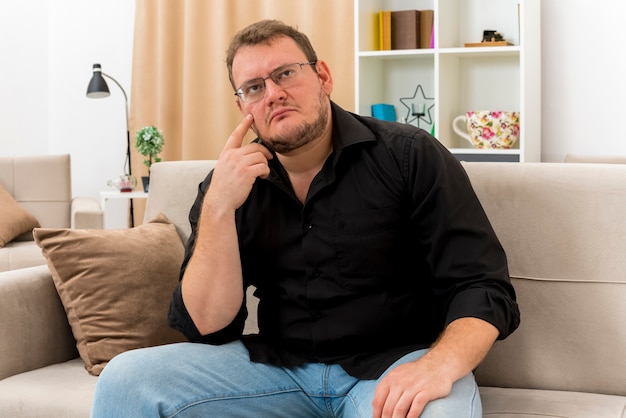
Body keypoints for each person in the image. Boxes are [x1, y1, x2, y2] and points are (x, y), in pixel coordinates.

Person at [91, 19, 520, 418]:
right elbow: (207, 327)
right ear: (243, 106)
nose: (273, 93)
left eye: (285, 74)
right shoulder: (228, 185)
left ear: (323, 77)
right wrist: (219, 207)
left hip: (393, 366)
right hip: (277, 370)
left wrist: (438, 366)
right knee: (126, 380)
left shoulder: (409, 155)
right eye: (254, 87)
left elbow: (482, 286)